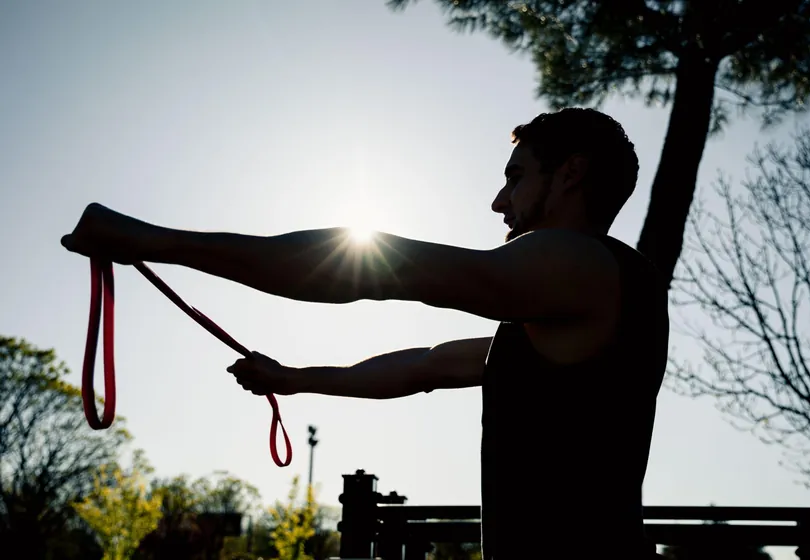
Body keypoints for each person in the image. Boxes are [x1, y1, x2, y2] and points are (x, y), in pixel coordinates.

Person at [61, 108, 669, 558]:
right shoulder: (572, 313)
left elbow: (385, 270)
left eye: (516, 176)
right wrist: (293, 379)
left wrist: (148, 241)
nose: (497, 200)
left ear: (570, 174)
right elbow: (425, 365)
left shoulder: (584, 265)